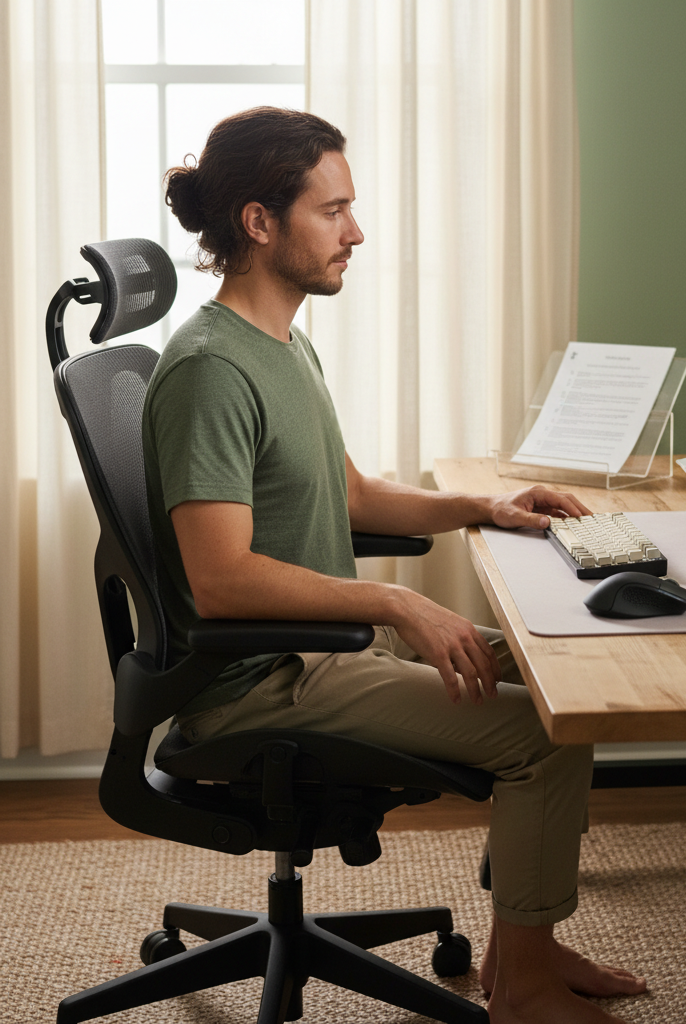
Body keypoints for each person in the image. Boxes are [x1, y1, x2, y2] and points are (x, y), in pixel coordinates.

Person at [144, 106, 646, 1024]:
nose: (356, 232)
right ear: (259, 223)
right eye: (332, 211)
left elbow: (351, 494)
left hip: (324, 655)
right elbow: (218, 579)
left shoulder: (285, 343)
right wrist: (396, 604)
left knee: (561, 670)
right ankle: (525, 993)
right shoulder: (211, 370)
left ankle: (520, 945)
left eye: (352, 208)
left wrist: (487, 508)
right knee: (541, 734)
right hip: (259, 684)